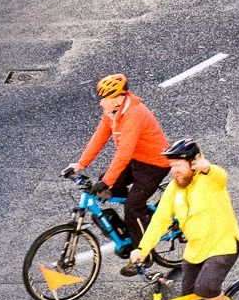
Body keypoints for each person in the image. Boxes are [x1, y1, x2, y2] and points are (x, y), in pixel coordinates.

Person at [130, 139, 239, 300]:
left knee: (205, 287)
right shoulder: (174, 189)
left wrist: (208, 167)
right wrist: (142, 250)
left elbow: (221, 176)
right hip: (195, 250)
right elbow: (159, 220)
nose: (173, 171)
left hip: (221, 245)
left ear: (193, 163)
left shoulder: (209, 179)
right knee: (189, 297)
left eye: (178, 166)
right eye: (172, 167)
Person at [67, 74, 171, 275]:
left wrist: (107, 181)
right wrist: (81, 164)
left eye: (103, 99)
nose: (100, 103)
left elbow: (123, 153)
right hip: (136, 160)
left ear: (116, 98)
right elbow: (99, 137)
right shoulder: (112, 112)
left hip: (154, 164)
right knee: (108, 189)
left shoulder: (134, 114)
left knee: (133, 206)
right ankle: (131, 229)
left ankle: (144, 254)